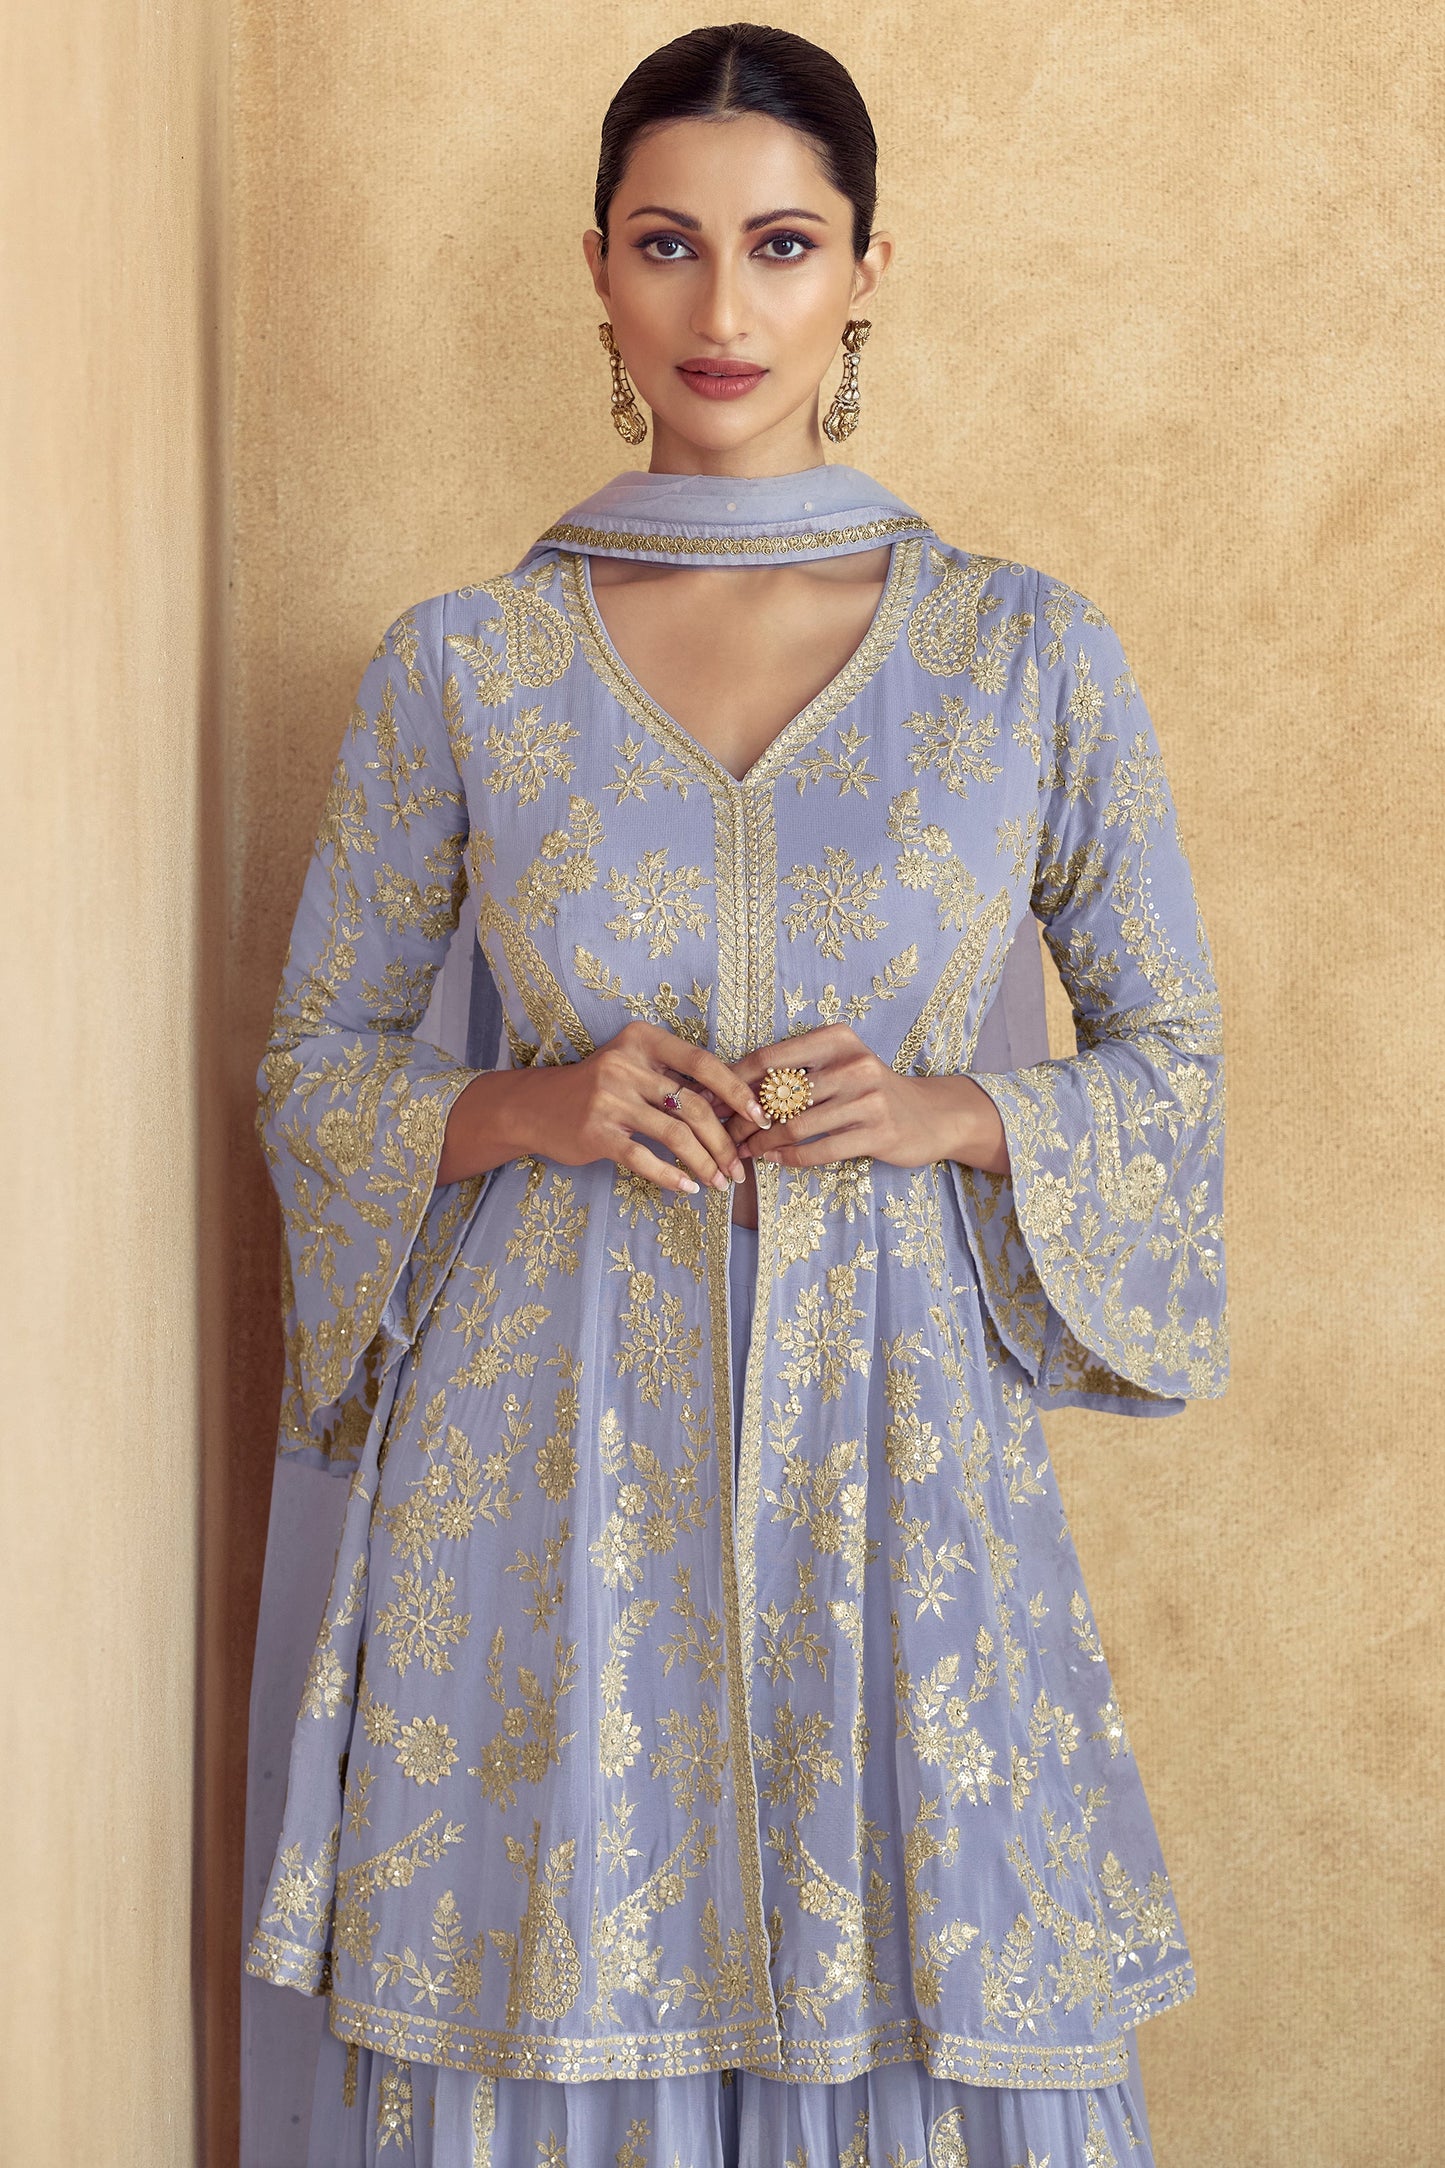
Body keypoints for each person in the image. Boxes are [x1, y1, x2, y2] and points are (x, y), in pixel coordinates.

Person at [241, 23, 1228, 2166]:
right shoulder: (465, 667)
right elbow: (316, 1072)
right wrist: (535, 1106)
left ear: (866, 269)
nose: (720, 304)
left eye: (780, 244)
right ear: (595, 268)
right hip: (548, 1452)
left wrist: (956, 1113)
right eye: (666, 242)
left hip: (898, 1446)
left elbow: (1172, 1066)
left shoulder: (1024, 658)